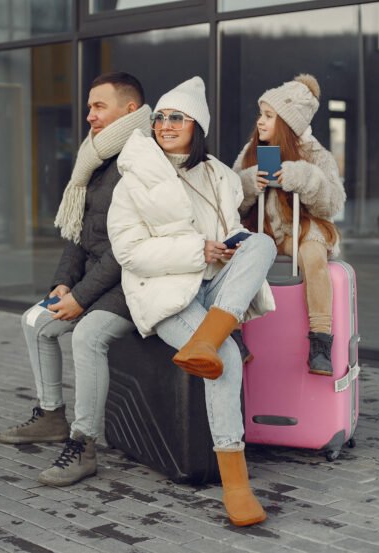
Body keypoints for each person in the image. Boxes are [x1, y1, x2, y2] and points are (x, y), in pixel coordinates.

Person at [107, 76, 277, 527]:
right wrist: (194, 250)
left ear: (196, 125)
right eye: (160, 117)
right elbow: (129, 253)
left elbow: (228, 228)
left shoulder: (219, 175)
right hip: (165, 294)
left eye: (175, 117)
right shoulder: (133, 178)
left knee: (261, 245)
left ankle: (208, 339)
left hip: (214, 286)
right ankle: (236, 485)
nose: (165, 124)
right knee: (226, 359)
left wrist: (230, 245)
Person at [0, 72, 152, 488]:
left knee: (87, 337)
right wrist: (63, 283)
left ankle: (83, 445)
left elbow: (127, 250)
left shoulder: (141, 159)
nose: (89, 116)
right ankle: (50, 416)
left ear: (129, 110)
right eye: (89, 107)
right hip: (94, 281)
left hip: (133, 284)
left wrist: (81, 298)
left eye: (99, 106)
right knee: (35, 321)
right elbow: (80, 233)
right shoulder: (96, 157)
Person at [232, 74, 346, 376]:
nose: (260, 121)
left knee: (314, 256)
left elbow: (333, 202)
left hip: (300, 231)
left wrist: (304, 178)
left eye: (269, 116)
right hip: (262, 231)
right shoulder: (250, 151)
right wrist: (246, 183)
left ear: (287, 122)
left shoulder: (316, 154)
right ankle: (233, 333)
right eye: (261, 114)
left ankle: (320, 342)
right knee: (235, 254)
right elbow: (226, 199)